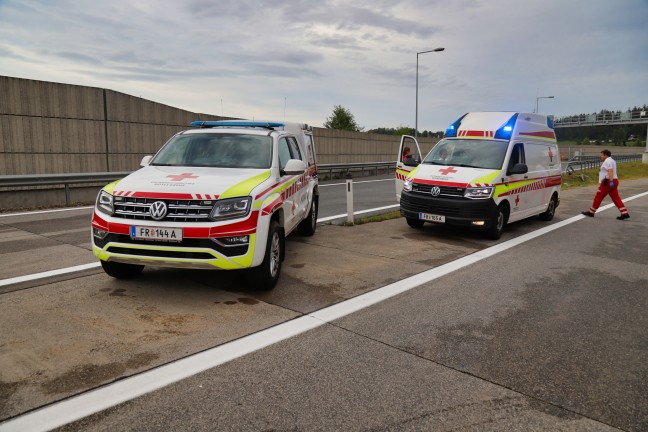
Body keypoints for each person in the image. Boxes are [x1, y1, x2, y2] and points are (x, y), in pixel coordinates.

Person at [581, 149, 630, 220]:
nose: (601, 156)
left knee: (598, 196)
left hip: (607, 182)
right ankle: (624, 213)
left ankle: (591, 212)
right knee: (616, 198)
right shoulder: (612, 160)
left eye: (602, 155)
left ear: (605, 155)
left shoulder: (607, 161)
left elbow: (610, 171)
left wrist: (610, 181)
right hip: (614, 180)